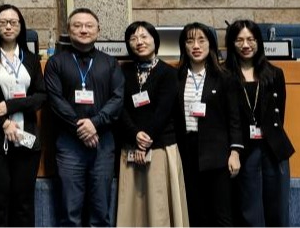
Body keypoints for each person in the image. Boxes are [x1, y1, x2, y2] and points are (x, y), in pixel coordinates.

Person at [44, 8, 123, 227]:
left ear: (98, 30)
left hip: (103, 144)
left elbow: (118, 99)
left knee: (101, 212)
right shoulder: (56, 63)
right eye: (77, 25)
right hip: (69, 145)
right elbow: (55, 100)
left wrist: (95, 124)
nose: (83, 30)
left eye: (89, 25)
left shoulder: (110, 63)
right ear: (68, 30)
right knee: (70, 213)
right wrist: (81, 128)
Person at [0, 4, 46, 227]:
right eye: (3, 22)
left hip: (26, 139)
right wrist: (3, 123)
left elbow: (41, 96)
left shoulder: (31, 59)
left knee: (23, 202)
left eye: (13, 22)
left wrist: (10, 106)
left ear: (21, 27)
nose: (8, 27)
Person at [115, 21, 188, 227]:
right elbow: (119, 107)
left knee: (159, 205)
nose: (139, 42)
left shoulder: (168, 73)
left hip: (160, 147)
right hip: (130, 146)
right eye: (133, 38)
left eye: (144, 37)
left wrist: (144, 141)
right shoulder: (122, 72)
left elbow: (163, 111)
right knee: (132, 209)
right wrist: (134, 136)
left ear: (155, 40)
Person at [224, 19, 294, 227]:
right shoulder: (225, 75)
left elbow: (279, 115)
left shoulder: (275, 74)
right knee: (249, 210)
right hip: (243, 150)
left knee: (278, 209)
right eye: (239, 40)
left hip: (273, 148)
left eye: (251, 39)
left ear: (259, 42)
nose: (246, 45)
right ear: (231, 43)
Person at [175, 22, 242, 227]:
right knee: (195, 212)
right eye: (190, 41)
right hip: (186, 151)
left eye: (201, 40)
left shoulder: (224, 77)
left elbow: (235, 118)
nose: (196, 46)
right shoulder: (175, 77)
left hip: (217, 153)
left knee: (221, 213)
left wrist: (235, 152)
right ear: (184, 46)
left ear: (210, 44)